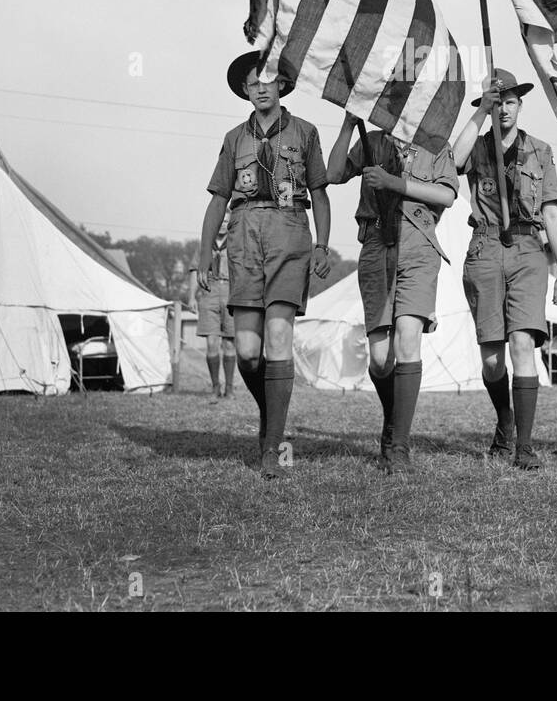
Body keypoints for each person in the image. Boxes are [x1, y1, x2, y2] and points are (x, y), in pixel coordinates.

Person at [198, 50, 331, 478]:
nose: (260, 87)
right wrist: (205, 254)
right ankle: (270, 417)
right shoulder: (235, 138)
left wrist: (323, 245)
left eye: (267, 79)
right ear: (244, 90)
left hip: (290, 233)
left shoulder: (306, 133)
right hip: (243, 237)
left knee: (278, 336)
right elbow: (219, 198)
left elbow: (321, 193)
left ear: (282, 86)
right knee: (249, 353)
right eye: (252, 82)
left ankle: (272, 448)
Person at [326, 113, 458, 473]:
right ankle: (392, 421)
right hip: (375, 245)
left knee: (408, 339)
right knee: (381, 359)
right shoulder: (373, 141)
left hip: (419, 246)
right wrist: (347, 124)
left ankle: (399, 445)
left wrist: (393, 183)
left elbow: (446, 194)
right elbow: (334, 174)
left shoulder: (436, 143)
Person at [451, 68, 557, 470]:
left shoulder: (540, 150)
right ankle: (505, 421)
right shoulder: (480, 146)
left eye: (510, 101)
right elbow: (455, 158)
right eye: (497, 102)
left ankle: (525, 445)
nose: (504, 109)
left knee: (522, 345)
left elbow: (551, 212)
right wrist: (480, 111)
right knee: (491, 360)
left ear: (520, 105)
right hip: (485, 246)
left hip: (527, 250)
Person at [195, 221, 236, 399]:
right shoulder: (205, 243)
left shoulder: (236, 242)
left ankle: (229, 387)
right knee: (211, 342)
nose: (222, 225)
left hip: (230, 291)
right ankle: (215, 387)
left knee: (229, 343)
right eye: (220, 220)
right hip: (209, 291)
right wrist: (191, 297)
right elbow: (194, 270)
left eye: (226, 221)